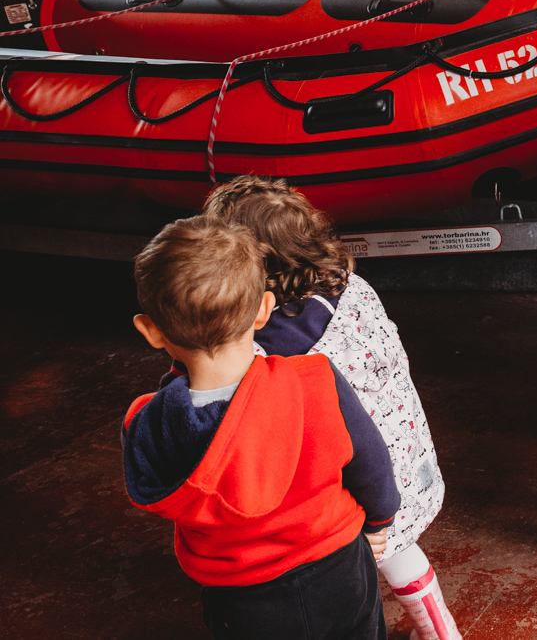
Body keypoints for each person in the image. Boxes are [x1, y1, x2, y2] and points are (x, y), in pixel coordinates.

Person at [202, 177, 458, 640]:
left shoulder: (274, 344)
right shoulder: (351, 285)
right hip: (408, 457)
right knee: (405, 554)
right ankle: (442, 633)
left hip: (360, 487)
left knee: (351, 582)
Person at [121, 218, 400, 640]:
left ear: (151, 331)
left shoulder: (147, 425)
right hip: (338, 567)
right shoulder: (315, 380)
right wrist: (379, 523)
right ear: (264, 310)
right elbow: (371, 461)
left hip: (239, 595)